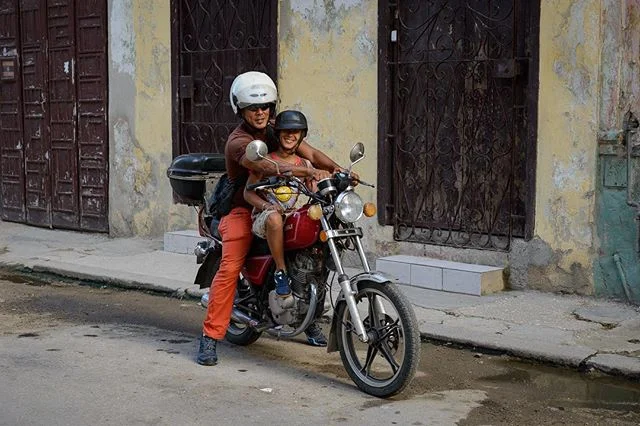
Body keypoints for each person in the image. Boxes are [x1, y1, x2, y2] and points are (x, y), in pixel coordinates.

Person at [197, 71, 343, 366]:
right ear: (240, 109)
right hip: (243, 207)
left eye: (265, 107)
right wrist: (306, 172)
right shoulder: (237, 141)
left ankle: (307, 316)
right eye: (253, 108)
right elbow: (265, 164)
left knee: (316, 245)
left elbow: (310, 152)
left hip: (282, 203)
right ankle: (211, 336)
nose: (260, 113)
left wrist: (339, 171)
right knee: (231, 264)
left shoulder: (278, 128)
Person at [244, 110, 314, 298]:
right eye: (286, 131)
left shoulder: (305, 164)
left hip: (291, 215)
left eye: (296, 132)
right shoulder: (266, 161)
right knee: (275, 218)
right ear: (278, 133)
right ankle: (280, 272)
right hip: (265, 217)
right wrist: (266, 207)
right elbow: (248, 192)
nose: (290, 135)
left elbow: (314, 190)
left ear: (302, 136)